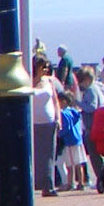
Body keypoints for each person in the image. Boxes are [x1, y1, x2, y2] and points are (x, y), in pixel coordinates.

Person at [30, 56, 62, 196]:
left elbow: (55, 101)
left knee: (49, 154)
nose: (45, 69)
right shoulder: (29, 81)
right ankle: (35, 183)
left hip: (49, 122)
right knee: (35, 154)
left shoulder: (49, 81)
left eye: (47, 67)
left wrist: (58, 118)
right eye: (43, 67)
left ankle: (48, 186)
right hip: (33, 122)